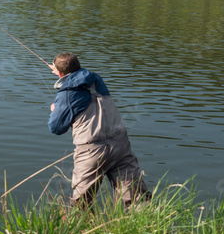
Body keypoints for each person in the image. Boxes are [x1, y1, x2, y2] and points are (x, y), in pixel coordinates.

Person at [47, 53, 150, 211]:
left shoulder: (66, 95)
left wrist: (55, 110)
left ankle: (82, 233)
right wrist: (62, 71)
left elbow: (56, 128)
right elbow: (80, 76)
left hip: (91, 150)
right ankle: (150, 229)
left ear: (60, 74)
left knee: (81, 204)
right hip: (121, 146)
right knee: (137, 197)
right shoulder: (96, 81)